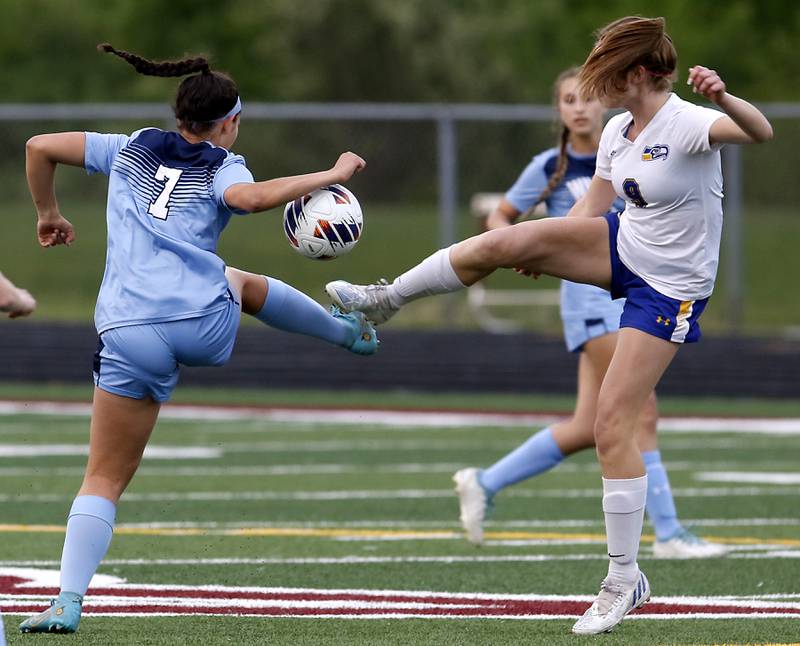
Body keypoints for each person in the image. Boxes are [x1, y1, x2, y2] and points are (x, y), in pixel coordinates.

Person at [326, 16, 772, 635]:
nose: (595, 91)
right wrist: (553, 248)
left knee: (612, 423)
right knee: (503, 241)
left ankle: (624, 579)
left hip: (670, 289)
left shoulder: (690, 122)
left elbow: (761, 131)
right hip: (622, 246)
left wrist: (722, 96)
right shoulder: (621, 127)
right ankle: (387, 298)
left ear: (638, 73)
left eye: (607, 74)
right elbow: (595, 206)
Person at [19, 44, 377, 635]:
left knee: (103, 477)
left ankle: (67, 601)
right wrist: (333, 174)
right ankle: (345, 334)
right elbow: (251, 199)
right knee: (240, 282)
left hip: (128, 333)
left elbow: (38, 148)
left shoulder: (129, 147)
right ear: (229, 123)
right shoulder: (224, 164)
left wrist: (47, 214)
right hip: (199, 326)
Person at [452, 67, 726, 560]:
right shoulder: (548, 165)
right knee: (639, 411)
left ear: (604, 102)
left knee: (587, 425)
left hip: (634, 288)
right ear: (558, 110)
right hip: (591, 302)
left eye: (585, 98)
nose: (578, 107)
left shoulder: (628, 145)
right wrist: (522, 248)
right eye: (567, 100)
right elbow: (502, 220)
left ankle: (484, 482)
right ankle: (668, 533)